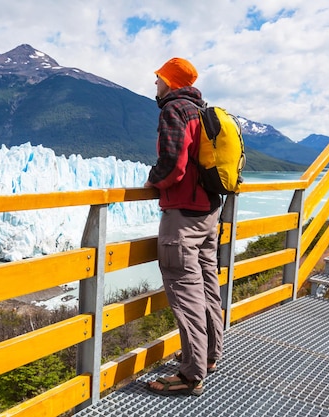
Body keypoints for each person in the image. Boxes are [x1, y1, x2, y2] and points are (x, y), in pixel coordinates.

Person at [144, 57, 224, 396]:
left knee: (185, 291)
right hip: (208, 215)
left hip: (183, 217)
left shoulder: (174, 109)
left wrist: (153, 181)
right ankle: (209, 356)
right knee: (207, 286)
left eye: (159, 78)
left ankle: (191, 375)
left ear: (171, 82)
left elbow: (173, 164)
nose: (156, 84)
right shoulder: (201, 110)